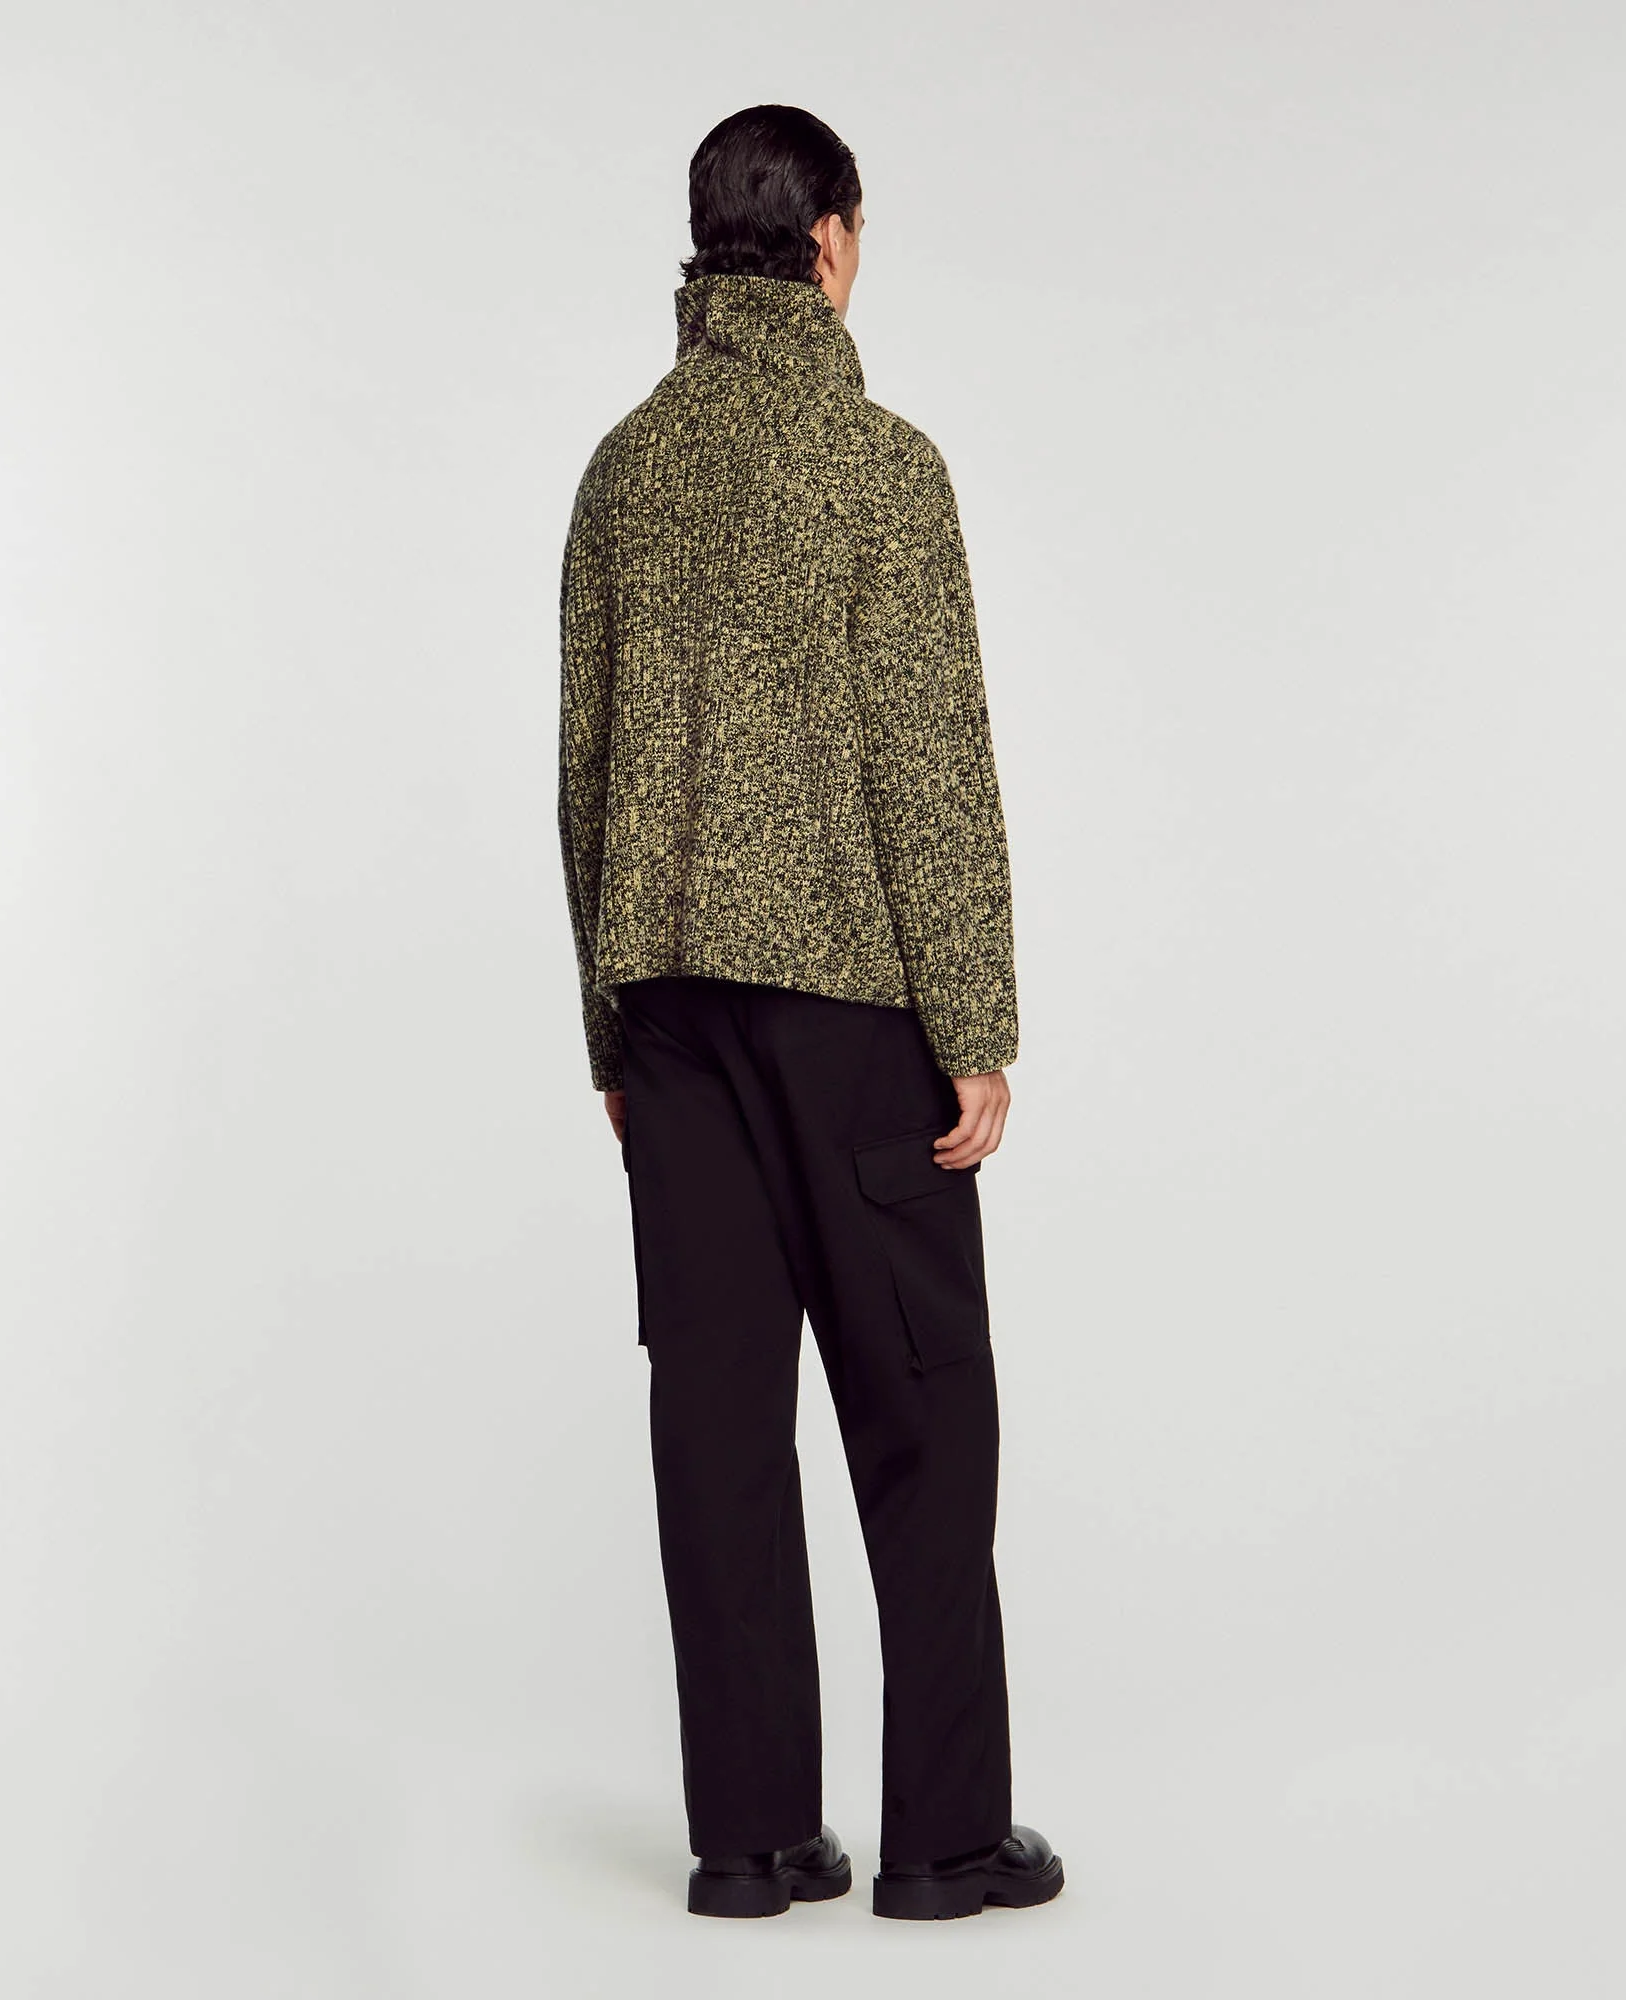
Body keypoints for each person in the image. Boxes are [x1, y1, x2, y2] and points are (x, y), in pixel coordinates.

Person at [555, 103, 1063, 1923]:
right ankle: (943, 1840)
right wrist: (976, 1016)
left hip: (676, 1016)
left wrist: (612, 1028)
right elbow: (935, 761)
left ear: (707, 251)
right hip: (857, 1018)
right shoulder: (882, 467)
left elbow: (586, 769)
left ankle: (752, 1840)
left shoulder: (623, 470)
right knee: (922, 1414)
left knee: (716, 1423)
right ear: (831, 241)